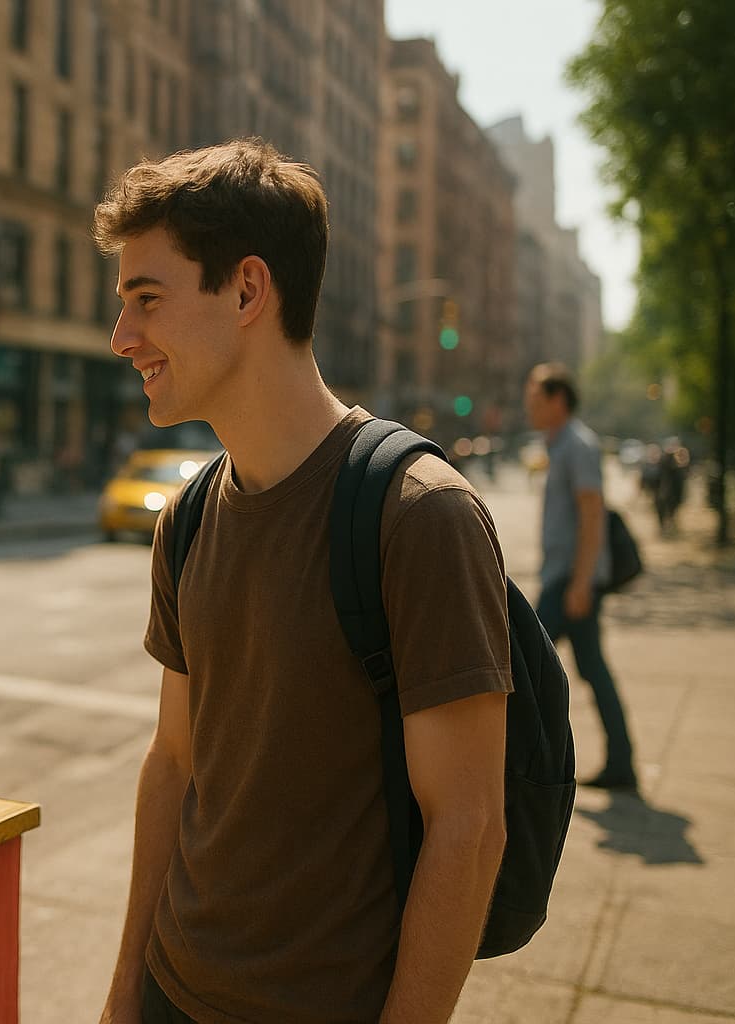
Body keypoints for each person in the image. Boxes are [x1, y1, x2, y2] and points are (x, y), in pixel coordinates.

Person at [93, 139, 511, 1024]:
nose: (122, 337)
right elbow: (173, 763)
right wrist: (126, 991)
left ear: (248, 290)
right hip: (172, 991)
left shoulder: (420, 515)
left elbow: (469, 828)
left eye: (147, 299)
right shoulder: (187, 519)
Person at [524, 363, 637, 791]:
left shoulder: (577, 445)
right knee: (589, 668)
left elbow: (592, 516)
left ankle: (524, 769)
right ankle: (621, 762)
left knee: (527, 667)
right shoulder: (560, 445)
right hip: (566, 577)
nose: (530, 407)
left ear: (558, 400)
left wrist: (581, 582)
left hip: (569, 580)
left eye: (536, 399)